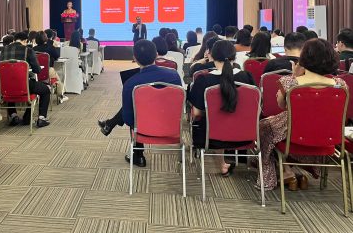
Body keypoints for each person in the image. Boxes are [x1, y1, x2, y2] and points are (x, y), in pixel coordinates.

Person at [258, 39, 346, 191]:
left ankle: (272, 175)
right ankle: (291, 171)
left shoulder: (290, 83)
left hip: (294, 136)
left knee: (264, 128)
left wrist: (294, 75)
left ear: (304, 58)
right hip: (326, 137)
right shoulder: (340, 85)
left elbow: (281, 105)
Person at [97, 39, 182, 167]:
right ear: (156, 55)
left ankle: (138, 155)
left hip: (143, 128)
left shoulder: (131, 83)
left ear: (134, 58)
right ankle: (110, 124)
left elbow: (128, 119)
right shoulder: (174, 76)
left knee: (134, 110)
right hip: (172, 126)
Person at [188, 40, 256, 176]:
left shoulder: (203, 80)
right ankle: (225, 164)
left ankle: (222, 164)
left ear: (212, 56)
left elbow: (196, 113)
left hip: (212, 137)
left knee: (212, 121)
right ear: (234, 57)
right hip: (246, 135)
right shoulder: (247, 77)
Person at [0, 31, 51, 128]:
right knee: (45, 90)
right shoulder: (28, 50)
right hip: (24, 85)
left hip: (7, 86)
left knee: (11, 86)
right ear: (25, 41)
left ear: (14, 40)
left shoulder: (3, 50)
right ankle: (41, 118)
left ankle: (13, 116)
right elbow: (37, 70)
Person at [33, 31, 68, 103]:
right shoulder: (50, 47)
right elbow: (57, 56)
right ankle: (61, 95)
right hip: (47, 72)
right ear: (45, 38)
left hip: (35, 73)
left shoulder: (33, 49)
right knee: (57, 80)